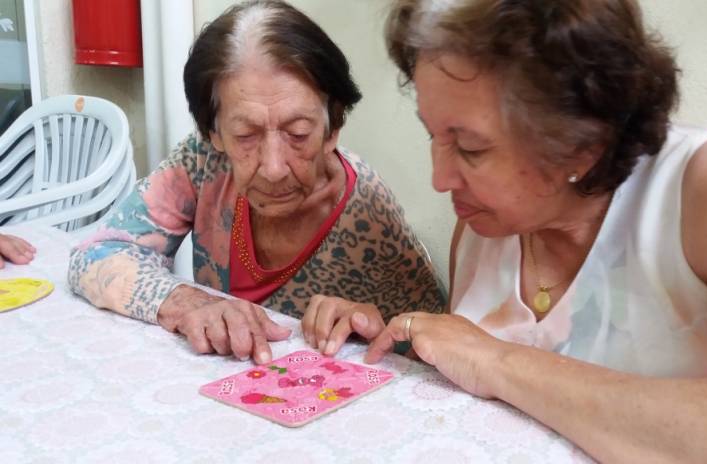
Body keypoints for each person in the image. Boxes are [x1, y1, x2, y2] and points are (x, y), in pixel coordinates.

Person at [316, 0, 707, 461]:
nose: (439, 179)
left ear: (581, 142)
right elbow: (471, 398)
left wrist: (500, 362)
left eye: (471, 149)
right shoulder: (485, 224)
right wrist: (382, 347)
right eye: (433, 135)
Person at [68, 0, 446, 365]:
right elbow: (96, 254)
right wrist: (189, 301)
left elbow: (429, 352)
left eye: (298, 133)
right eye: (245, 135)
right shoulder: (204, 161)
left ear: (333, 128)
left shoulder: (367, 214)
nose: (273, 168)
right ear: (212, 132)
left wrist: (372, 328)